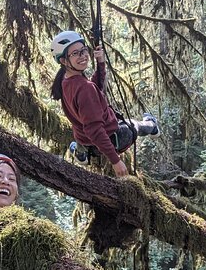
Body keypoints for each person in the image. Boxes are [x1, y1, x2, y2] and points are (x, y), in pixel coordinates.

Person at [50, 30, 160, 177]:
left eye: (83, 51)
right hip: (112, 139)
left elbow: (94, 90)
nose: (82, 56)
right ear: (63, 61)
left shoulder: (65, 80)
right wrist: (115, 161)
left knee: (80, 134)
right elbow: (94, 129)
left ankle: (81, 153)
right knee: (135, 125)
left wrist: (100, 63)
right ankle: (153, 126)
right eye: (75, 53)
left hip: (84, 140)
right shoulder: (84, 88)